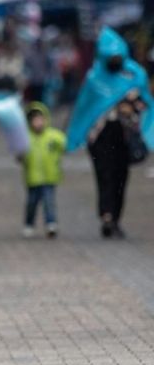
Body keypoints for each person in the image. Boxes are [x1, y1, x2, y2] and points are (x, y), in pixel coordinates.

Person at [66, 26, 153, 239]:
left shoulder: (134, 74)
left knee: (121, 177)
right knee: (104, 175)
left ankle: (115, 217)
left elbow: (145, 103)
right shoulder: (95, 77)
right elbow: (84, 108)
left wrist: (131, 103)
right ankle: (106, 215)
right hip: (100, 136)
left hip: (125, 135)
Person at [20, 102, 66, 238]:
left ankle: (51, 223)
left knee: (49, 202)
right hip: (32, 177)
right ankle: (29, 223)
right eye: (34, 120)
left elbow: (66, 145)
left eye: (40, 119)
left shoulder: (53, 136)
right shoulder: (26, 137)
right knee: (31, 203)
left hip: (50, 176)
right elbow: (19, 154)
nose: (38, 122)